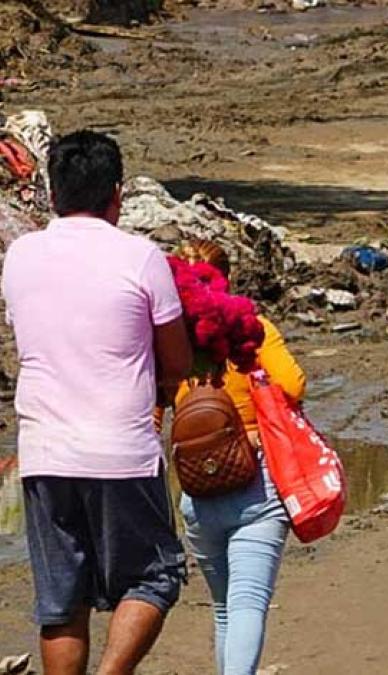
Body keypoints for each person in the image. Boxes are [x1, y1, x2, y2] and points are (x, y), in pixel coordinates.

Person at [1, 130, 193, 675]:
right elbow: (176, 363)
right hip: (121, 449)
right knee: (154, 575)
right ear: (118, 193)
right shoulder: (140, 256)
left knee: (62, 598)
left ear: (52, 192)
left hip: (44, 449)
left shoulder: (21, 256)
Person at [173, 239, 306, 675]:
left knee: (223, 607)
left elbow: (149, 407)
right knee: (248, 601)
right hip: (256, 481)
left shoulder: (170, 340)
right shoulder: (252, 327)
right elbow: (293, 384)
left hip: (196, 487)